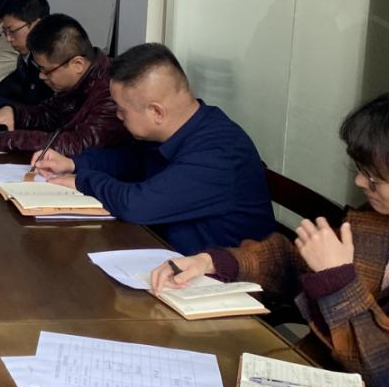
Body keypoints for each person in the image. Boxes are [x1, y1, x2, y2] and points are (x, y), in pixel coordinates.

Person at [150, 88, 389, 387]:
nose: (360, 181)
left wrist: (338, 281)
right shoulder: (381, 221)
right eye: (362, 168)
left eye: (375, 175)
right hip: (310, 382)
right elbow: (295, 262)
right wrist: (213, 261)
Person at [33, 43, 275, 253]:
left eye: (121, 109)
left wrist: (82, 181)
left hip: (220, 282)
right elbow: (130, 160)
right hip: (166, 255)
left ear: (156, 112)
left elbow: (137, 205)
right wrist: (74, 163)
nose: (117, 116)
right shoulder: (179, 126)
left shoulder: (218, 153)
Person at [0, 13, 127, 156]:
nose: (41, 76)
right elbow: (48, 115)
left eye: (46, 70)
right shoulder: (78, 80)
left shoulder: (112, 90)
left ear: (77, 64)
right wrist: (14, 113)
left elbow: (77, 145)